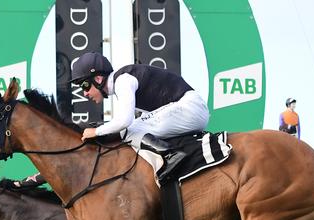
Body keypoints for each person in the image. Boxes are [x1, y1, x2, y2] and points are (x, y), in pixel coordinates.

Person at [71, 52, 210, 180]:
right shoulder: (123, 82)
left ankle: (171, 156)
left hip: (189, 108)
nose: (85, 93)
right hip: (189, 109)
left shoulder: (123, 81)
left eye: (85, 86)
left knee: (129, 130)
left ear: (98, 79)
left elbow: (124, 121)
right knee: (132, 128)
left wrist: (96, 131)